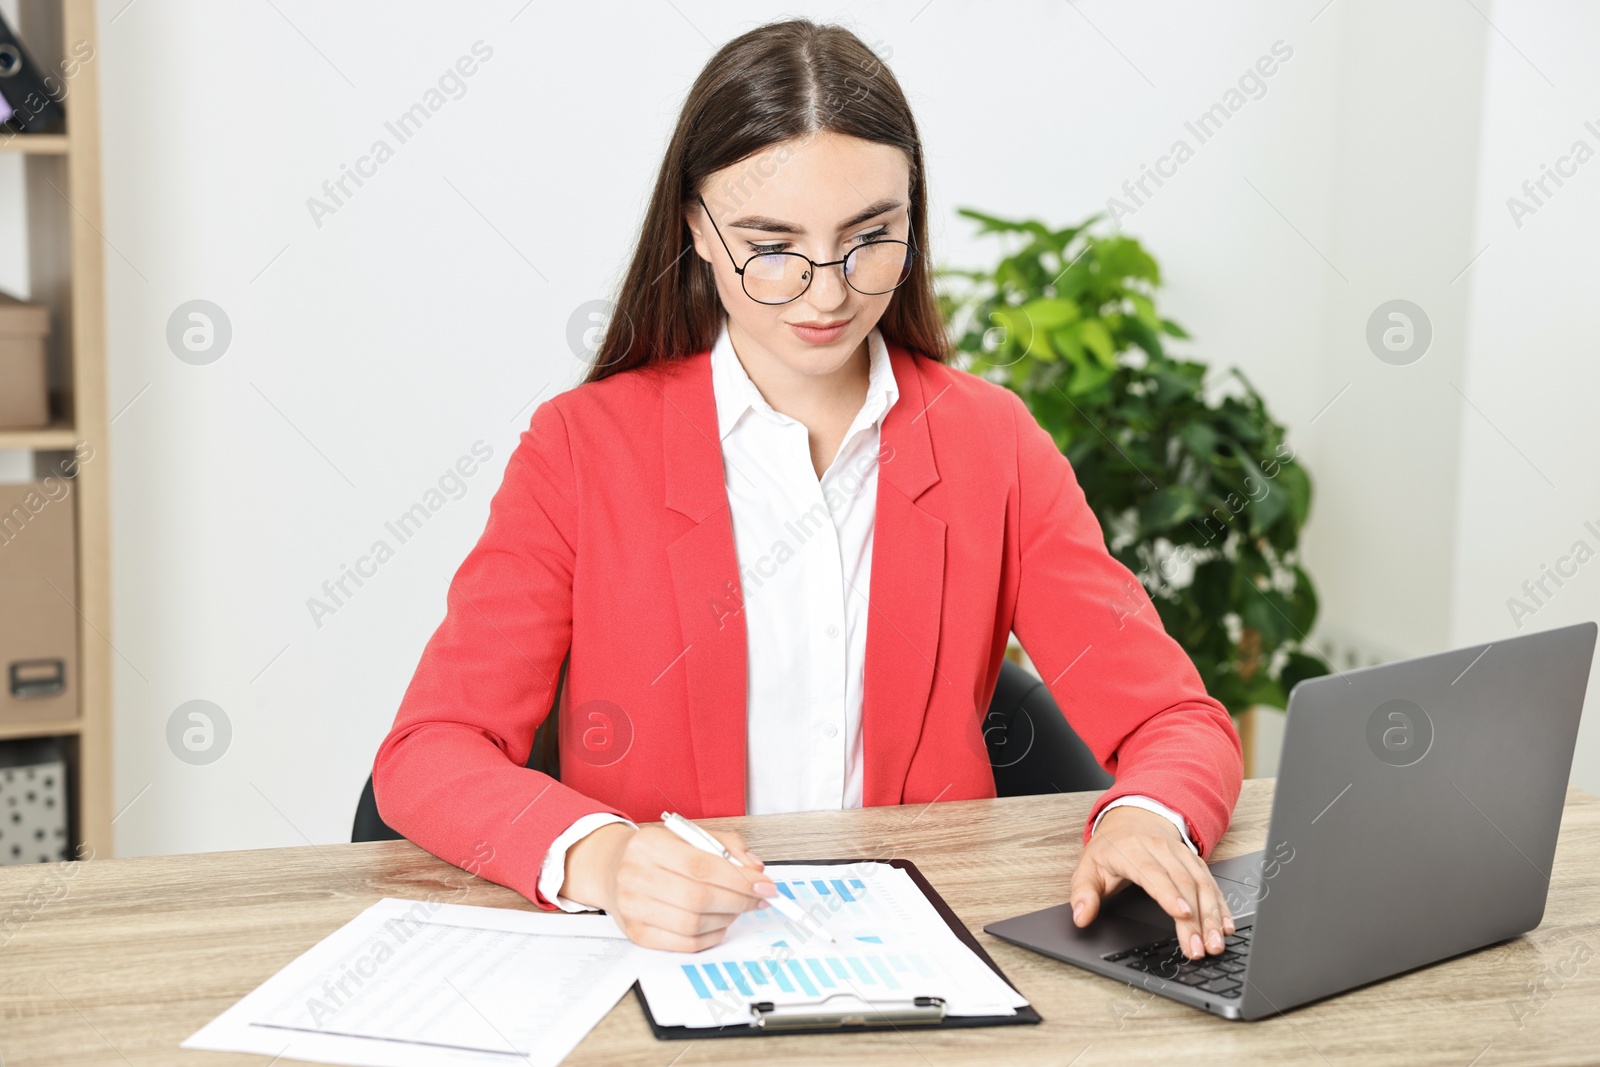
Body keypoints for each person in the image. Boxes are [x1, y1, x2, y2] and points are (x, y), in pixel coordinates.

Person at [373, 17, 1242, 964]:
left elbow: (1176, 719)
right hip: (667, 963)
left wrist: (1147, 818)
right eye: (771, 244)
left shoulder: (991, 443)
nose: (825, 293)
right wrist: (608, 859)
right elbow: (430, 752)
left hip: (925, 965)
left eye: (870, 239)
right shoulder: (581, 450)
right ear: (696, 231)